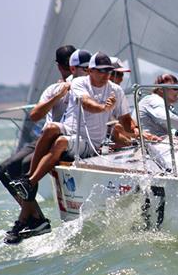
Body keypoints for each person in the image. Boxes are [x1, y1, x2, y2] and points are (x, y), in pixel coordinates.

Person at [11, 52, 135, 200]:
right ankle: (28, 178)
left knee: (60, 142)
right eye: (101, 71)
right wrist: (104, 108)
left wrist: (138, 133)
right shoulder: (79, 83)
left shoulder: (116, 90)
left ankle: (30, 182)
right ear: (89, 71)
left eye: (108, 70)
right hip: (71, 130)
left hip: (89, 142)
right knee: (50, 127)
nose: (106, 74)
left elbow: (126, 121)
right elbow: (86, 103)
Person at [0, 44, 75, 245]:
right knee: (4, 169)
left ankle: (25, 220)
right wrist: (58, 94)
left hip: (62, 138)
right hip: (44, 138)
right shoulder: (54, 88)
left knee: (23, 167)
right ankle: (36, 217)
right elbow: (35, 115)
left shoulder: (83, 84)